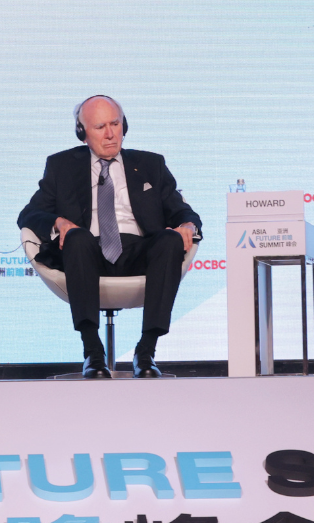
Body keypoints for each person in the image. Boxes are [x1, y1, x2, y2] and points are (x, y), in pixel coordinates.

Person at [18, 95, 202, 379]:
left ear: (124, 124)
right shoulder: (61, 166)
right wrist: (59, 221)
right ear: (83, 134)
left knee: (169, 240)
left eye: (115, 123)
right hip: (86, 251)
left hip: (140, 251)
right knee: (78, 239)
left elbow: (183, 212)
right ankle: (93, 352)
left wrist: (188, 226)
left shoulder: (151, 164)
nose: (110, 133)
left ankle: (146, 352)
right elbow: (29, 214)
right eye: (100, 126)